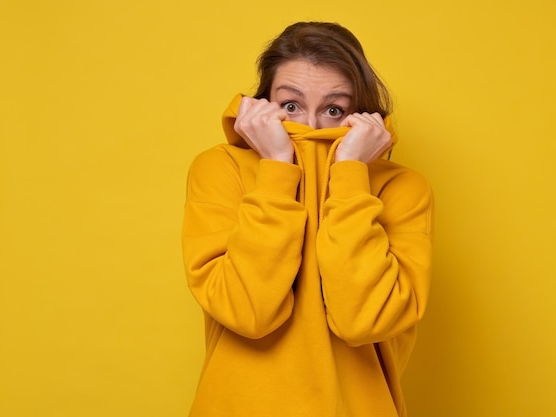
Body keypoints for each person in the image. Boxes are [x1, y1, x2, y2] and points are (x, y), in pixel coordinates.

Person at [182, 21, 433, 417]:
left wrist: (351, 174)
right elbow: (248, 311)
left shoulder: (401, 187)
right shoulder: (222, 169)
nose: (311, 127)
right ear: (264, 104)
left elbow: (364, 321)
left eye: (334, 110)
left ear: (361, 115)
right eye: (291, 106)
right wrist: (277, 168)